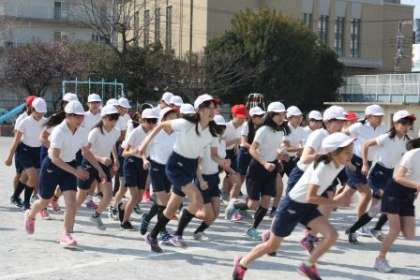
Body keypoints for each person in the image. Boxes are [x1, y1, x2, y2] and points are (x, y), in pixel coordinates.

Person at [232, 132, 355, 280]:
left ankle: (308, 266)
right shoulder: (323, 167)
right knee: (272, 246)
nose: (351, 156)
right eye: (348, 152)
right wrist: (337, 202)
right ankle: (242, 264)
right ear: (334, 152)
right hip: (292, 206)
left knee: (332, 235)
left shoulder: (339, 163)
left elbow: (348, 181)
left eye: (351, 151)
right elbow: (311, 196)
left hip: (307, 207)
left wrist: (347, 191)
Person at [140, 94, 227, 253]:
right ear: (199, 110)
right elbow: (161, 125)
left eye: (214, 107)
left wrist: (223, 162)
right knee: (197, 199)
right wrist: (143, 145)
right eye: (208, 107)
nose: (212, 111)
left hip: (190, 167)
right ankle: (178, 235)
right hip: (176, 165)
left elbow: (214, 155)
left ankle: (152, 236)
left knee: (170, 209)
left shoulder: (213, 132)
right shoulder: (186, 123)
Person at [23, 101, 106, 248]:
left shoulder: (81, 130)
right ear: (69, 116)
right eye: (78, 117)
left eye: (82, 116)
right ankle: (30, 215)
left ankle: (66, 235)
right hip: (52, 166)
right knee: (45, 201)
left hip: (69, 165)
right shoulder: (59, 131)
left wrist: (99, 169)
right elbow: (55, 158)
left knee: (71, 204)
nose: (82, 119)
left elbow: (86, 151)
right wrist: (76, 172)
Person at [345, 110, 415, 243]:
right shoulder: (387, 137)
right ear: (395, 123)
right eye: (404, 123)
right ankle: (375, 229)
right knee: (392, 201)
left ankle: (354, 229)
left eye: (409, 124)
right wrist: (365, 164)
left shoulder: (407, 141)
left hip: (389, 174)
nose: (407, 126)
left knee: (375, 209)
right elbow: (366, 144)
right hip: (377, 174)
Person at [287, 105, 346, 252]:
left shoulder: (337, 137)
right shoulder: (319, 134)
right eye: (338, 121)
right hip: (302, 176)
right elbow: (305, 157)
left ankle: (310, 237)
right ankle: (271, 235)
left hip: (319, 177)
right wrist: (326, 156)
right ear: (328, 121)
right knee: (291, 212)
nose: (341, 124)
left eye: (342, 121)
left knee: (326, 205)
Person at [243, 102, 289, 241]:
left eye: (283, 114)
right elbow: (252, 149)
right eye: (278, 114)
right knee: (253, 204)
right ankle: (236, 206)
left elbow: (276, 149)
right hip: (257, 167)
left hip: (272, 168)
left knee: (266, 201)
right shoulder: (263, 130)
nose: (282, 117)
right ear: (271, 115)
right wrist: (264, 163)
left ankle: (253, 229)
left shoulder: (281, 131)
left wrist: (282, 155)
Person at [374, 137, 420, 273]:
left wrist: (415, 191)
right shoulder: (413, 154)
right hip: (395, 190)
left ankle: (381, 209)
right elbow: (399, 177)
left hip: (409, 193)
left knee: (410, 234)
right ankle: (380, 260)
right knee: (395, 229)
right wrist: (417, 185)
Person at [341, 104, 387, 238]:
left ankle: (321, 207)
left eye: (381, 116)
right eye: (376, 116)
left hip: (369, 163)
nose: (380, 118)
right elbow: (342, 138)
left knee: (346, 193)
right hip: (355, 162)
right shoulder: (358, 126)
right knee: (366, 194)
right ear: (368, 116)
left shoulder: (383, 128)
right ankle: (360, 226)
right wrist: (347, 160)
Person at [75, 105, 121, 230]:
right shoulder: (95, 132)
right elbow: (85, 152)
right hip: (89, 163)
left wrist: (115, 159)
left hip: (104, 164)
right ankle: (71, 215)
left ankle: (96, 216)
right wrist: (100, 158)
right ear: (104, 118)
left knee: (108, 195)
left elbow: (112, 145)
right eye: (111, 118)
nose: (114, 121)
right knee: (81, 195)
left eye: (116, 118)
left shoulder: (116, 131)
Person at [140, 107, 179, 244]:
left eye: (176, 116)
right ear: (163, 119)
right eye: (171, 117)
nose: (174, 119)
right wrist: (145, 160)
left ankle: (147, 217)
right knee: (164, 202)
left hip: (169, 169)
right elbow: (142, 149)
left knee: (161, 202)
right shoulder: (156, 132)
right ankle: (162, 232)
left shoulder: (177, 133)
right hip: (156, 167)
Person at [116, 108, 159, 230]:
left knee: (139, 197)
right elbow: (124, 152)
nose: (152, 123)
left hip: (144, 163)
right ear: (142, 120)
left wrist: (146, 159)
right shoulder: (136, 132)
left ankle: (123, 206)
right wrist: (137, 151)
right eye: (149, 121)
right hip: (131, 162)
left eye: (154, 121)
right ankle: (125, 221)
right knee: (134, 196)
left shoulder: (154, 132)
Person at [5, 98, 48, 212]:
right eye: (38, 111)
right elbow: (16, 139)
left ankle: (15, 196)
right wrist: (9, 157)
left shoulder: (45, 121)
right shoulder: (25, 121)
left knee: (25, 176)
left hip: (38, 151)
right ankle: (26, 202)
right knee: (33, 176)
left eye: (42, 112)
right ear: (32, 109)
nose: (40, 114)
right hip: (24, 151)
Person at [193, 114, 232, 240]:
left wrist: (231, 169)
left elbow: (220, 160)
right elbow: (196, 163)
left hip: (214, 178)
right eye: (218, 127)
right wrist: (200, 180)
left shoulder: (221, 142)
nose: (220, 130)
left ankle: (199, 231)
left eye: (223, 127)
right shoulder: (204, 141)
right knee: (207, 214)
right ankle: (188, 212)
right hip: (203, 178)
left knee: (215, 213)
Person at [225, 106, 265, 221]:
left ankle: (242, 209)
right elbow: (243, 142)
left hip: (254, 155)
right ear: (252, 118)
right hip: (245, 155)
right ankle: (231, 209)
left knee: (252, 183)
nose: (261, 118)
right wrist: (255, 149)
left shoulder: (263, 127)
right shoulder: (246, 126)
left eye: (262, 115)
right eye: (258, 116)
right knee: (238, 182)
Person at [9, 95, 37, 208]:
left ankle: (17, 196)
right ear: (29, 106)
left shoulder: (37, 117)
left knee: (28, 174)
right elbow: (16, 135)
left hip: (33, 150)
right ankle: (15, 196)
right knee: (20, 174)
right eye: (34, 106)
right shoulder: (22, 118)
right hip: (22, 149)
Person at [222, 104, 247, 205]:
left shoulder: (242, 127)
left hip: (232, 152)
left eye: (244, 118)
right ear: (233, 115)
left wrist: (236, 146)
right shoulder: (226, 127)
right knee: (232, 174)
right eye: (240, 117)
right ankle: (225, 193)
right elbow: (220, 145)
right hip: (221, 153)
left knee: (233, 174)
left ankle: (226, 192)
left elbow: (238, 140)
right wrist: (235, 141)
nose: (242, 120)